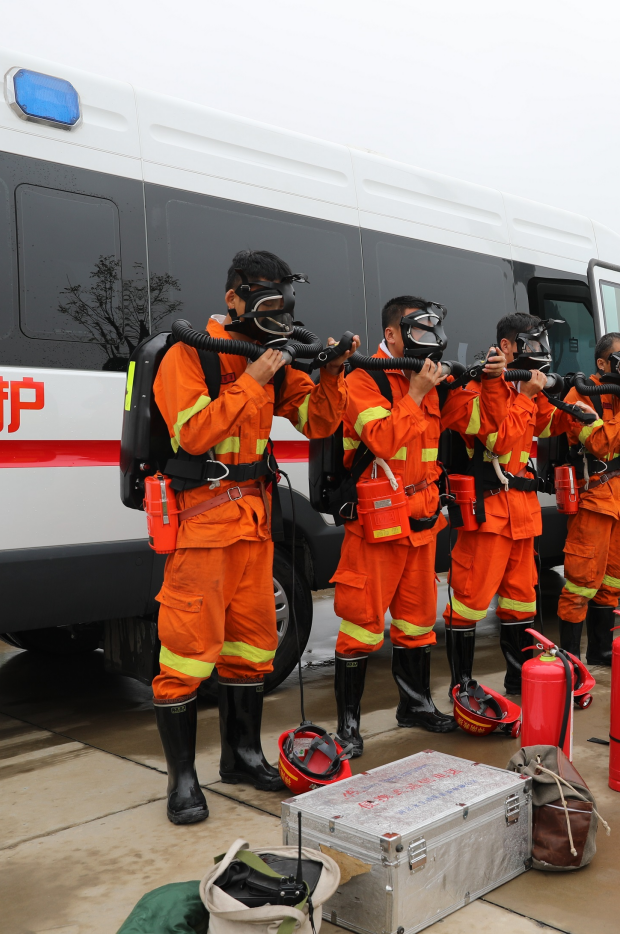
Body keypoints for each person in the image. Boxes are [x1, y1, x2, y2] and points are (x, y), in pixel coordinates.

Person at [151, 249, 356, 826]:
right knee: (186, 656)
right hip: (203, 530)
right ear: (233, 298)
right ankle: (182, 780)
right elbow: (193, 434)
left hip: (255, 528)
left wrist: (332, 373)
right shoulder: (191, 353)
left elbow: (317, 422)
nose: (277, 313)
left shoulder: (274, 357)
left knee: (252, 650)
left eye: (283, 302)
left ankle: (241, 758)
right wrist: (253, 379)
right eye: (265, 299)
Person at [331, 297, 486, 752]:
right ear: (392, 334)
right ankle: (348, 725)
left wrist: (481, 382)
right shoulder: (364, 377)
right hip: (377, 522)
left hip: (421, 519)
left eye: (433, 329)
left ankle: (415, 704)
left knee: (418, 621)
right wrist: (416, 394)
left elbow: (479, 423)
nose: (429, 339)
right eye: (418, 330)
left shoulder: (432, 379)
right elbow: (381, 440)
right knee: (361, 625)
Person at [443, 314, 555, 696]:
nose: (538, 351)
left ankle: (520, 681)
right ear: (506, 346)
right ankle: (462, 687)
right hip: (487, 513)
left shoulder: (523, 388)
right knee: (469, 602)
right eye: (530, 343)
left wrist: (546, 393)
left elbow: (547, 427)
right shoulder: (475, 388)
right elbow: (499, 442)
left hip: (522, 513)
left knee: (521, 601)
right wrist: (525, 397)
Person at [551, 333, 620, 665]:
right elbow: (599, 445)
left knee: (614, 581)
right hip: (593, 499)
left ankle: (600, 651)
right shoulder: (581, 394)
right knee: (581, 582)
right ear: (602, 363)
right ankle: (570, 661)